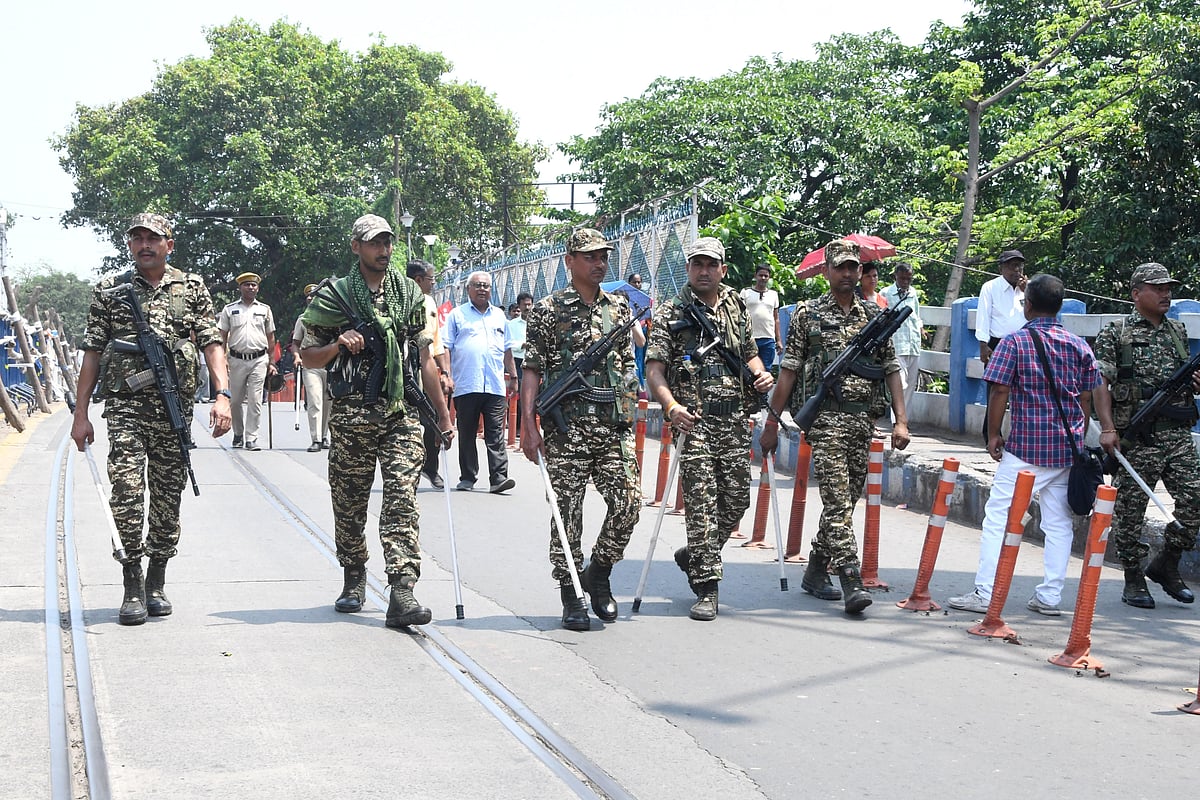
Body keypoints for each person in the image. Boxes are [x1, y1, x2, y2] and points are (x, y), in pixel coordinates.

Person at [71, 212, 233, 626]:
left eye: (153, 238)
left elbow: (211, 341)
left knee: (167, 497)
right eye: (137, 238)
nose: (145, 245)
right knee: (126, 491)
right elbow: (92, 351)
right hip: (126, 407)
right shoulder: (111, 290)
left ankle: (156, 579)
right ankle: (131, 581)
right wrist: (81, 413)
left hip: (173, 409)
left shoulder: (190, 287)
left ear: (169, 244)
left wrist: (222, 395)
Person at [300, 214, 453, 628]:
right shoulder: (335, 296)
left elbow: (423, 361)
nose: (383, 251)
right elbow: (308, 356)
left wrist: (441, 414)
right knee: (349, 502)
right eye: (374, 243)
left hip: (400, 413)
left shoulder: (409, 295)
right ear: (356, 247)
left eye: (387, 243)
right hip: (351, 416)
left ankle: (402, 588)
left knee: (402, 497)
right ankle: (354, 574)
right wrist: (338, 344)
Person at [760, 239, 909, 616]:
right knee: (838, 502)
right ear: (826, 271)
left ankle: (813, 572)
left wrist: (901, 421)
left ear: (860, 271)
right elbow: (789, 371)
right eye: (840, 267)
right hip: (825, 421)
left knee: (846, 501)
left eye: (852, 268)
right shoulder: (808, 314)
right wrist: (772, 422)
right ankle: (849, 579)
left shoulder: (873, 315)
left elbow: (891, 369)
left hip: (862, 422)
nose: (847, 274)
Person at [947, 274, 1101, 616]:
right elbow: (1087, 395)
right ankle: (1049, 596)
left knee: (998, 517)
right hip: (1066, 450)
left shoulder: (1014, 343)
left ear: (1027, 305)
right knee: (1058, 523)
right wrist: (1078, 434)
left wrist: (992, 434)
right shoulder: (1078, 345)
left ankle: (985, 592)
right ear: (1059, 307)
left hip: (1026, 449)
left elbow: (1000, 390)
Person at [521, 228, 643, 630]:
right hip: (567, 431)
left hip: (612, 427)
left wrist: (628, 396)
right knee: (566, 516)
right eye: (589, 256)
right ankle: (572, 592)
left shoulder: (620, 308)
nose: (598, 263)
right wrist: (528, 424)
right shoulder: (547, 310)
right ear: (569, 260)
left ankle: (599, 572)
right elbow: (532, 371)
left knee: (629, 504)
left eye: (602, 256)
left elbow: (627, 361)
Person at [646, 236, 774, 621]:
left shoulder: (736, 304)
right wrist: (671, 407)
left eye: (710, 264)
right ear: (688, 269)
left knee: (737, 500)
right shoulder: (672, 311)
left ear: (723, 269)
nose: (703, 271)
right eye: (696, 264)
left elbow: (749, 351)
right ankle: (707, 585)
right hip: (694, 421)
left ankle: (695, 554)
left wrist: (761, 375)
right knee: (701, 504)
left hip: (734, 419)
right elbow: (654, 369)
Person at [1093, 262, 1200, 609]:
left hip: (1177, 436)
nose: (1166, 293)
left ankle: (1166, 563)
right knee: (1130, 513)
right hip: (1136, 439)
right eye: (1158, 288)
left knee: (1195, 500)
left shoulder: (1177, 332)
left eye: (1169, 287)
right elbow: (1100, 382)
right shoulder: (1116, 332)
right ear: (1136, 293)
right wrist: (1107, 428)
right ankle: (1133, 576)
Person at [443, 270, 517, 493]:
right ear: (469, 290)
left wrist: (513, 377)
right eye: (478, 285)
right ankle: (467, 477)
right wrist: (447, 374)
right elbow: (446, 346)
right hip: (466, 384)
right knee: (467, 432)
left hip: (494, 385)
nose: (482, 289)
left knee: (495, 433)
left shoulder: (499, 317)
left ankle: (499, 478)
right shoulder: (457, 315)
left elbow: (507, 350)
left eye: (486, 285)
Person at [217, 272, 276, 450]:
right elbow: (222, 336)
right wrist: (222, 360)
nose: (251, 287)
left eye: (254, 285)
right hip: (236, 359)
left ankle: (251, 437)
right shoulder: (229, 309)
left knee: (255, 399)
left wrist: (272, 362)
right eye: (247, 285)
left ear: (257, 288)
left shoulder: (264, 309)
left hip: (259, 359)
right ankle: (238, 433)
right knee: (235, 401)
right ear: (240, 287)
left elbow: (271, 337)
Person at [408, 259, 451, 488]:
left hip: (428, 371)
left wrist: (444, 371)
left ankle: (430, 468)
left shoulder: (431, 303)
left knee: (434, 420)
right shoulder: (402, 302)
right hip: (407, 374)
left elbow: (436, 342)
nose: (433, 283)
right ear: (418, 279)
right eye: (431, 279)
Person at [290, 283, 330, 453]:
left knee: (329, 403)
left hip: (330, 364)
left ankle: (324, 435)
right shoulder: (303, 318)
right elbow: (295, 343)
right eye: (309, 295)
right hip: (310, 365)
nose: (311, 298)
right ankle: (316, 439)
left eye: (315, 295)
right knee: (315, 401)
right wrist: (297, 356)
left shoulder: (333, 316)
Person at [881, 263, 923, 412]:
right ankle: (896, 419)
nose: (906, 282)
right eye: (903, 278)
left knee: (911, 384)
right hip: (897, 344)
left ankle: (905, 417)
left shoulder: (913, 292)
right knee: (900, 383)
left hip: (913, 343)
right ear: (895, 277)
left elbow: (916, 315)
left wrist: (921, 328)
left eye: (908, 279)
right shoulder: (886, 293)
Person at [975, 250, 1027, 365]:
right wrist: (983, 344)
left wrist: (1027, 293)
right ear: (1001, 269)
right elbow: (983, 316)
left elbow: (1038, 315)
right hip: (998, 344)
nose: (1017, 270)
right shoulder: (990, 287)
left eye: (1020, 266)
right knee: (996, 382)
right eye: (1013, 266)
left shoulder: (1029, 287)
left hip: (1025, 345)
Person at [740, 264, 782, 371]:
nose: (763, 278)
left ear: (769, 277)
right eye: (760, 275)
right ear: (755, 276)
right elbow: (738, 316)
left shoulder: (773, 295)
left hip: (768, 338)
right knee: (749, 369)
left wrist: (779, 341)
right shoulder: (745, 293)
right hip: (750, 339)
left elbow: (776, 318)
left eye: (766, 276)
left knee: (766, 370)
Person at [507, 291, 534, 438]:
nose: (528, 308)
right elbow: (509, 345)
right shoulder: (512, 325)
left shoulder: (537, 320)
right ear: (519, 305)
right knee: (517, 394)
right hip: (517, 361)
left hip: (533, 361)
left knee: (532, 395)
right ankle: (516, 428)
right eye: (525, 305)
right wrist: (522, 345)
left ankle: (529, 427)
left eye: (530, 304)